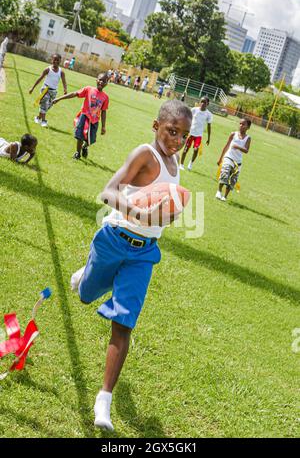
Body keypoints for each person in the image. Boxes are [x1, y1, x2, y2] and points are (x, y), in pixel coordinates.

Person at [70, 99, 192, 431]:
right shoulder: (144, 154)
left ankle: (103, 401)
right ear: (156, 126)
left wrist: (173, 211)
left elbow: (166, 210)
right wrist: (139, 212)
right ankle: (88, 273)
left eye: (183, 135)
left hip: (143, 254)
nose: (176, 140)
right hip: (113, 239)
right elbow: (108, 192)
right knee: (85, 294)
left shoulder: (175, 163)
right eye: (171, 131)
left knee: (123, 323)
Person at [52, 73, 109, 160]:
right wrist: (59, 98)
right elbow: (75, 94)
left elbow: (104, 111)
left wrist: (103, 126)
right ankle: (77, 153)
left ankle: (85, 147)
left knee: (91, 140)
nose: (101, 82)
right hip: (84, 116)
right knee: (79, 136)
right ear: (96, 80)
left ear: (106, 83)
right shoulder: (88, 89)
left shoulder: (105, 97)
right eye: (100, 80)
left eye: (104, 81)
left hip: (94, 121)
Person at [216, 118, 252, 201]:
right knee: (225, 173)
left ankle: (225, 196)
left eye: (243, 124)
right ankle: (219, 191)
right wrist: (220, 158)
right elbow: (226, 146)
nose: (241, 125)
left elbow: (246, 150)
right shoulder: (233, 134)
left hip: (238, 161)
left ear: (248, 127)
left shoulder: (248, 138)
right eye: (240, 123)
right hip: (229, 157)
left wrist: (237, 147)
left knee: (233, 180)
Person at [29, 53, 67, 128]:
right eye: (54, 60)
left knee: (47, 106)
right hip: (45, 89)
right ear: (52, 60)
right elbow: (40, 78)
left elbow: (64, 81)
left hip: (53, 92)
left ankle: (38, 117)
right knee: (45, 103)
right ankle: (43, 121)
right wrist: (32, 88)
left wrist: (65, 89)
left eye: (57, 60)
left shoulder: (61, 72)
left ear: (60, 61)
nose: (56, 61)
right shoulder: (47, 69)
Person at [180, 96, 213, 171]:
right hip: (190, 133)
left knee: (196, 150)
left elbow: (209, 126)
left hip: (198, 135)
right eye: (201, 101)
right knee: (185, 149)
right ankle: (181, 165)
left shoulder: (208, 114)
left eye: (204, 102)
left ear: (208, 104)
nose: (202, 103)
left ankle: (190, 164)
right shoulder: (194, 110)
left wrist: (208, 138)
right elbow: (187, 120)